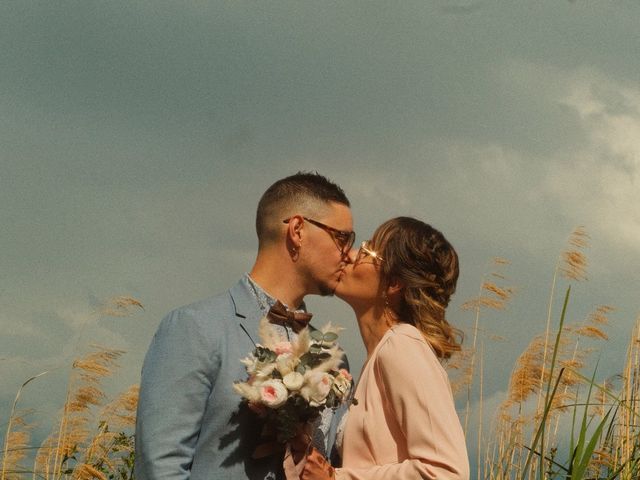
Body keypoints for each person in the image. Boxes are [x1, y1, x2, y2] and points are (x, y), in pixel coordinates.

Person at [135, 172, 355, 480]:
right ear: (298, 230)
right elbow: (160, 468)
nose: (350, 254)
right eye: (343, 237)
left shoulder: (334, 356)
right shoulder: (194, 328)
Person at [288, 216, 470, 480]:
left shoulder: (403, 346)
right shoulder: (380, 355)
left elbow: (447, 472)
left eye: (365, 250)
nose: (349, 255)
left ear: (394, 283)